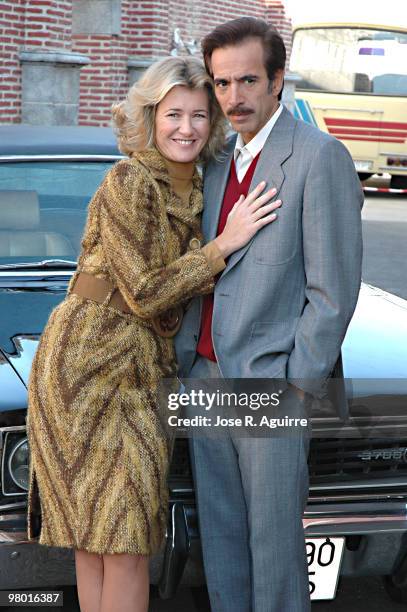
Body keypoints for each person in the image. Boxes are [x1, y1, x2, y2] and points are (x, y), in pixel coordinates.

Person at [25, 55, 280, 612]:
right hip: (85, 368)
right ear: (150, 117)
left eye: (198, 115)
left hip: (144, 373)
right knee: (113, 543)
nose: (186, 128)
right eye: (173, 115)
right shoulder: (128, 180)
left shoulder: (199, 189)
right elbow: (144, 292)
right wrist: (221, 245)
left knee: (115, 539)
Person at [174, 17, 364, 612]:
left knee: (276, 554)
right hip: (204, 379)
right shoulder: (215, 162)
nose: (233, 98)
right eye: (222, 84)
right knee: (223, 545)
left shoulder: (319, 157)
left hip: (270, 385)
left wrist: (299, 385)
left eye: (248, 80)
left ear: (278, 80)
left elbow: (332, 289)